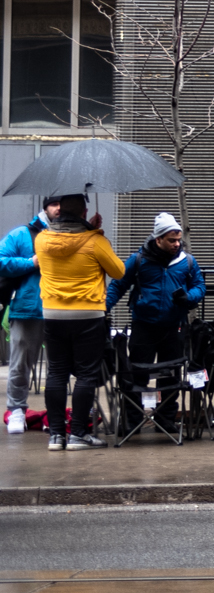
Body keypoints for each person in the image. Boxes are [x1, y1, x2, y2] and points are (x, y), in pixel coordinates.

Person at [35, 193, 125, 451]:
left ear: (59, 212)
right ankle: (77, 435)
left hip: (53, 313)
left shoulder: (41, 239)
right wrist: (96, 235)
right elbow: (118, 271)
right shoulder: (95, 241)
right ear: (85, 213)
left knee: (56, 373)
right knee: (86, 374)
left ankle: (55, 436)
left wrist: (91, 232)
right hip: (87, 314)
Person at [107, 211, 204, 435]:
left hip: (174, 326)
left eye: (179, 239)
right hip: (144, 325)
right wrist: (105, 307)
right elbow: (118, 285)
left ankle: (166, 420)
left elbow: (199, 286)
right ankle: (132, 421)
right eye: (171, 240)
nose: (176, 244)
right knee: (136, 375)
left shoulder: (187, 261)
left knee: (170, 375)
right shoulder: (139, 260)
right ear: (158, 239)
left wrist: (189, 297)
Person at [1, 196, 59, 435]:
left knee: (60, 366)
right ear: (45, 207)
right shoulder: (21, 234)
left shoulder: (73, 234)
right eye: (55, 204)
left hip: (61, 309)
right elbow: (1, 261)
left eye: (63, 205)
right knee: (20, 364)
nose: (59, 209)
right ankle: (16, 410)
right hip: (28, 309)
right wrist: (30, 262)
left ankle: (55, 414)